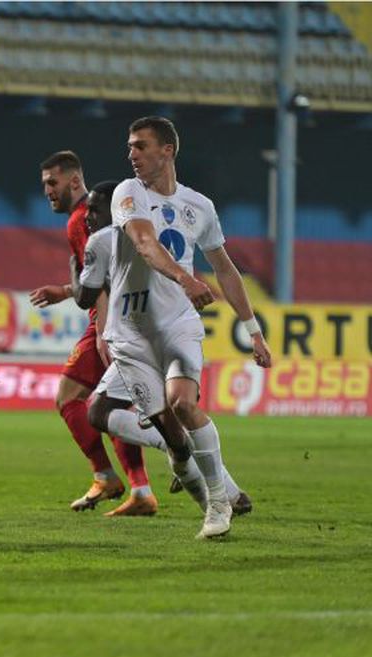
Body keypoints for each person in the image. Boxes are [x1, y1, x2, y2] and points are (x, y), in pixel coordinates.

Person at [73, 117, 272, 539]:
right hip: (131, 334)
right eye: (129, 147)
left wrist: (253, 330)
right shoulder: (128, 193)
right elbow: (145, 243)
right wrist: (185, 277)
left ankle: (219, 505)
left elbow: (226, 269)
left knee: (183, 403)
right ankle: (204, 488)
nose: (132, 154)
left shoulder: (199, 206)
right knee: (174, 439)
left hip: (178, 322)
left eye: (140, 146)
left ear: (167, 151)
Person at [29, 151, 155, 516]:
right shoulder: (93, 216)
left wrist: (103, 332)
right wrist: (66, 290)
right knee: (109, 403)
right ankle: (141, 490)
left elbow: (104, 280)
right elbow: (98, 275)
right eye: (43, 185)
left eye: (52, 183)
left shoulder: (82, 219)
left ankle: (107, 475)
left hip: (110, 319)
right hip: (123, 316)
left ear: (73, 181)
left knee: (69, 397)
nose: (47, 191)